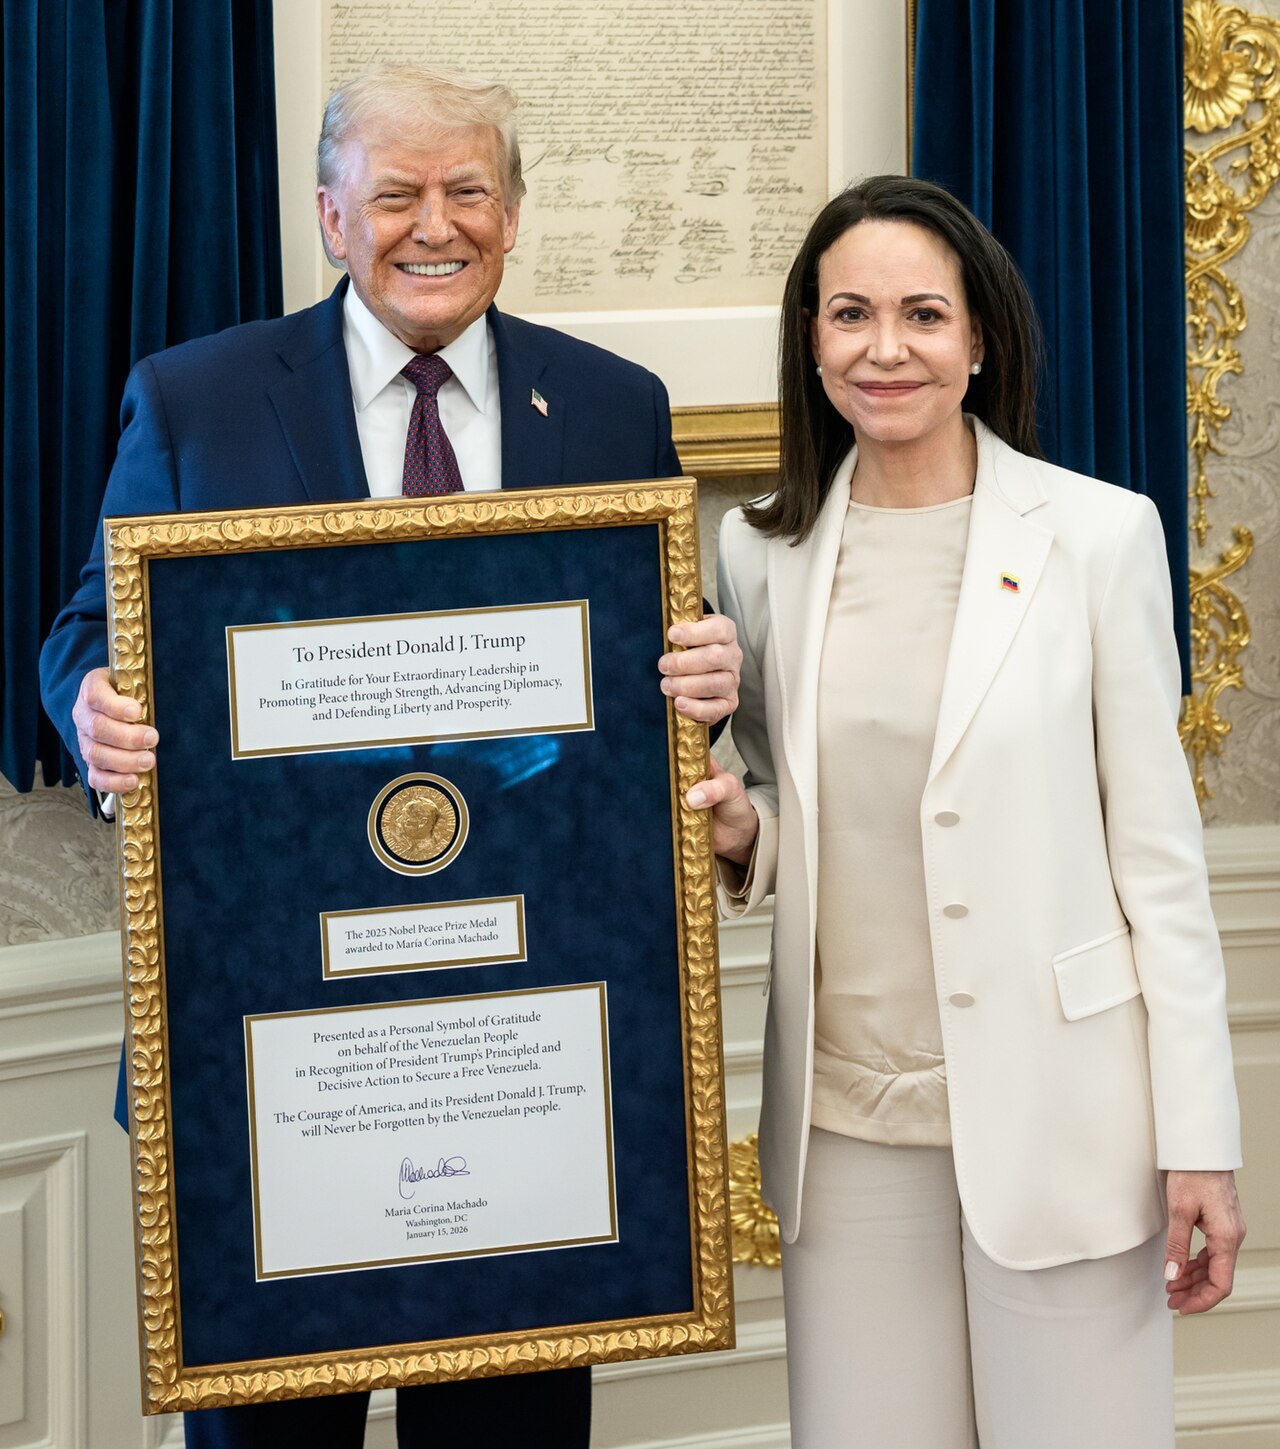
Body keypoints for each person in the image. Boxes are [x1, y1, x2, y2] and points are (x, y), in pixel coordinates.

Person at [40, 65, 739, 1449]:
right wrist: (93, 702)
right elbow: (86, 628)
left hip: (527, 1026)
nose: (438, 225)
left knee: (510, 1425)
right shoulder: (197, 398)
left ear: (513, 213)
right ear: (330, 215)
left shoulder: (610, 404)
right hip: (271, 1026)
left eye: (469, 190)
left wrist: (706, 683)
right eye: (399, 193)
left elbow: (641, 683)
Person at [690, 175, 1245, 1449]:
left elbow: (1158, 866)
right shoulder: (759, 555)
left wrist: (1197, 1144)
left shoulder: (1098, 538)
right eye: (848, 316)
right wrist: (740, 832)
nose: (885, 349)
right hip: (844, 1127)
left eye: (922, 316)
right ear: (809, 341)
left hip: (1066, 1119)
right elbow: (785, 799)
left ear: (978, 339)